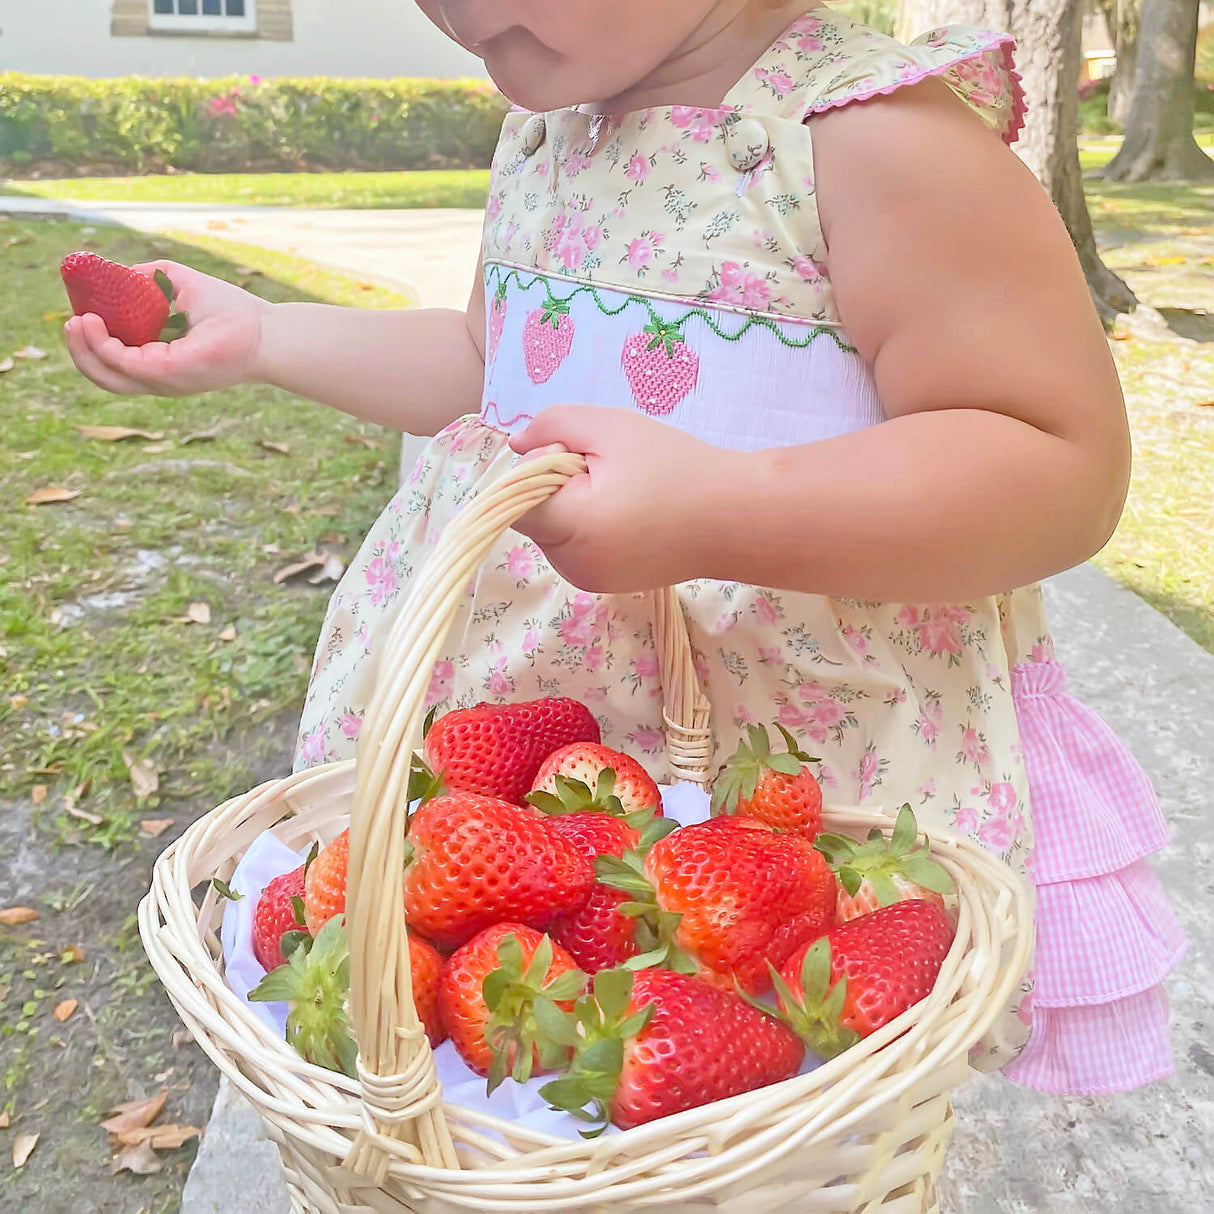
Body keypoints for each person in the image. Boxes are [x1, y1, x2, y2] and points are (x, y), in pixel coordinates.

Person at [66, 0, 1184, 1096]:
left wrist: (724, 507)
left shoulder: (871, 140)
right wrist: (267, 334)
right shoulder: (548, 129)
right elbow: (492, 366)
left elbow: (1059, 467)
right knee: (553, 1073)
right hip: (552, 768)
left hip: (777, 772)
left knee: (775, 1083)